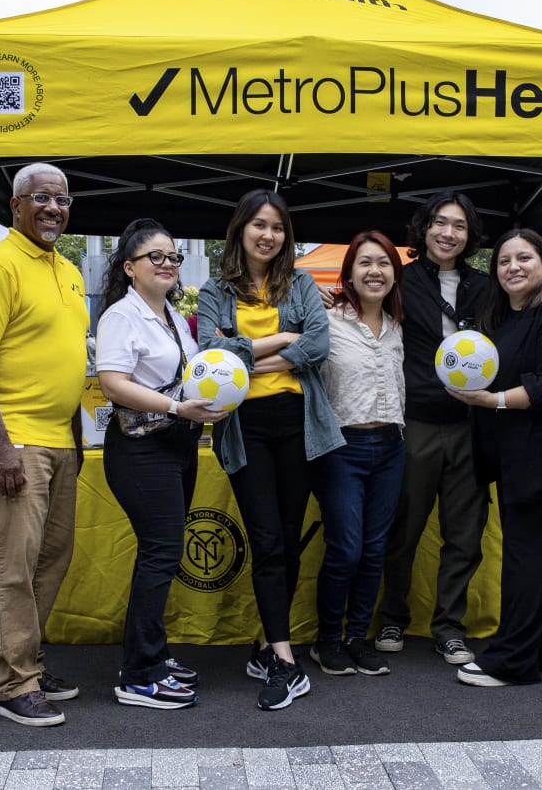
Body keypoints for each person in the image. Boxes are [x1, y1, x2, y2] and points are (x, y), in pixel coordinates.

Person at [197, 189, 344, 711]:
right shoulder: (215, 288)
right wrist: (283, 340)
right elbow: (210, 354)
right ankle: (285, 659)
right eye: (259, 225)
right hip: (247, 426)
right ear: (240, 230)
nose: (268, 235)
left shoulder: (300, 280)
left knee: (285, 535)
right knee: (264, 536)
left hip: (299, 423)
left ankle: (266, 642)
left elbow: (320, 343)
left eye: (278, 227)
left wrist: (250, 358)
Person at [0, 162, 88, 727]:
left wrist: (77, 438)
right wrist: (0, 444)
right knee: (13, 564)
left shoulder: (69, 269)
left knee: (52, 558)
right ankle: (14, 684)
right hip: (12, 442)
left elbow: (68, 360)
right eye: (40, 198)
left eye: (62, 199)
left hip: (58, 440)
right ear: (15, 206)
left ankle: (28, 662)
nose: (53, 208)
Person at [449, 228, 542, 687]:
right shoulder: (501, 321)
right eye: (505, 260)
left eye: (524, 258)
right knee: (539, 559)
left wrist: (492, 402)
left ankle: (512, 660)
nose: (513, 267)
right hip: (515, 462)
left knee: (528, 562)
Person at [95, 219, 227, 709]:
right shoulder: (120, 317)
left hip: (177, 446)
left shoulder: (172, 314)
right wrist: (177, 408)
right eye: (156, 256)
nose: (168, 263)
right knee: (161, 553)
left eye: (172, 256)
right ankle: (139, 675)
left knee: (160, 555)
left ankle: (150, 652)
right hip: (140, 450)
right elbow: (112, 383)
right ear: (130, 268)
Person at [373, 191, 492, 666]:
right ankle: (391, 618)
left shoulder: (487, 287)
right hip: (417, 422)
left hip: (471, 424)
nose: (448, 233)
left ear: (470, 235)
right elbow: (361, 298)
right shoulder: (400, 280)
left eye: (459, 226)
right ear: (424, 230)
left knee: (464, 534)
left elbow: (525, 315)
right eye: (440, 223)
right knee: (402, 529)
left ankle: (449, 628)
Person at [308, 230, 405, 678]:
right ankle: (326, 640)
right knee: (345, 549)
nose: (375, 271)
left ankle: (357, 638)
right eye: (365, 263)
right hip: (341, 449)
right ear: (348, 273)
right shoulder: (327, 320)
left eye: (383, 263)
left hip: (390, 447)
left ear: (394, 273)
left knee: (373, 550)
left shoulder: (398, 325)